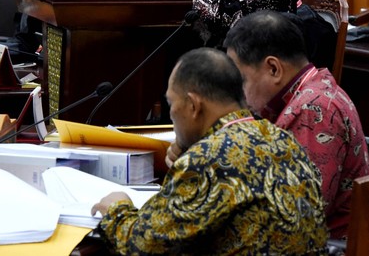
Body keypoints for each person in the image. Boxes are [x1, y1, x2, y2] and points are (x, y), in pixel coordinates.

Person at [92, 47, 328, 255]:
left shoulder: (207, 159)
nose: (172, 115)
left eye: (172, 104)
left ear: (194, 105)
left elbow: (143, 246)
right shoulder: (282, 138)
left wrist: (117, 208)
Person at [223, 10, 369, 239]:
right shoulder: (309, 88)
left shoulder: (314, 111)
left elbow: (299, 216)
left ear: (273, 69)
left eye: (241, 80)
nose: (237, 92)